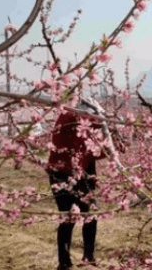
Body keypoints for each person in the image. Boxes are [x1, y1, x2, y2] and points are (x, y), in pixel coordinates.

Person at [46, 99, 109, 270]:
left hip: (84, 172)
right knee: (69, 217)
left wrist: (109, 144)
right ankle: (64, 263)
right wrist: (100, 123)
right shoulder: (67, 118)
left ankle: (88, 257)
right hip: (61, 173)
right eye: (91, 117)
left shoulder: (83, 124)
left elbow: (93, 152)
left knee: (91, 214)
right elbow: (79, 143)